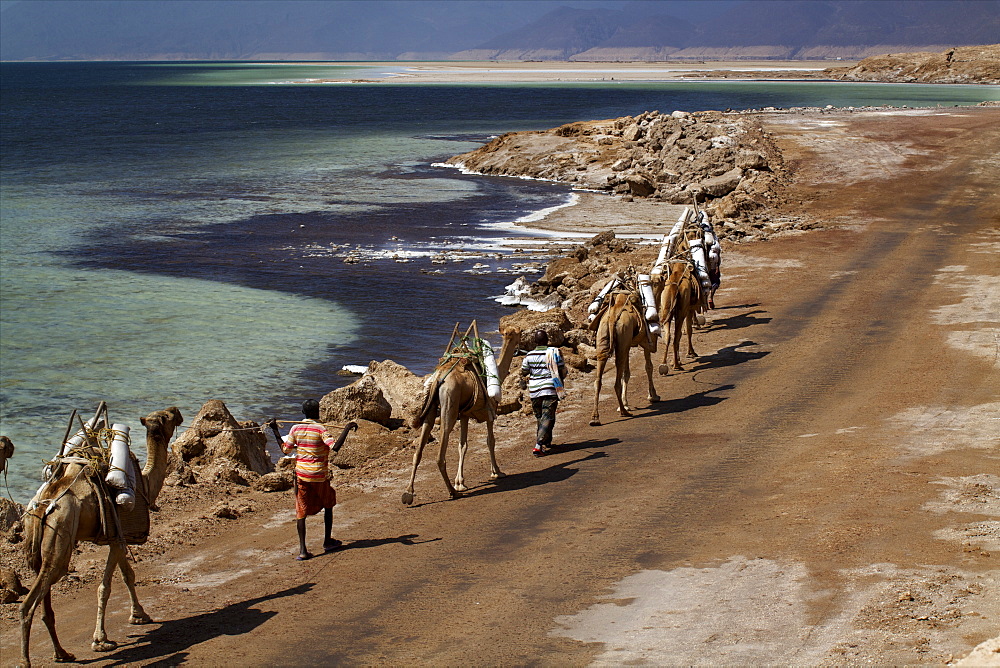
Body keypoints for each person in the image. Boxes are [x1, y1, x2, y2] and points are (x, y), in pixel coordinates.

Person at [281, 399, 341, 561]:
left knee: (301, 511)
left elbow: (286, 450)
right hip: (319, 476)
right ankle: (327, 541)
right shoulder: (321, 429)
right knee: (329, 504)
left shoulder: (295, 428)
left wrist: (274, 430)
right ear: (318, 412)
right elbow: (334, 447)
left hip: (301, 475)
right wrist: (347, 429)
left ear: (303, 413)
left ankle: (302, 550)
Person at [519, 329, 566, 457]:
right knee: (548, 417)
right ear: (547, 341)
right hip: (550, 389)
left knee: (540, 417)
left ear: (535, 342)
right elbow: (562, 370)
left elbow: (524, 371)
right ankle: (538, 445)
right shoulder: (554, 352)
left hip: (534, 391)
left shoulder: (529, 356)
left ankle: (547, 442)